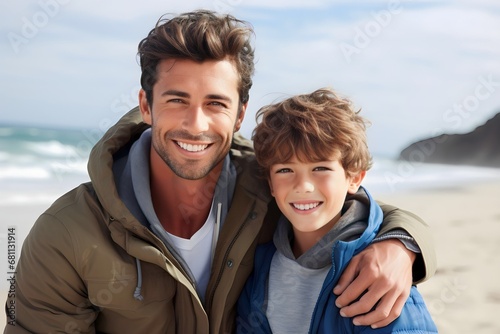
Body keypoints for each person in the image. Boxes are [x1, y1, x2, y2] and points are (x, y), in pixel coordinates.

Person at [4, 10, 436, 333]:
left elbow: (348, 205)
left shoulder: (270, 185)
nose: (196, 124)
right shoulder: (67, 233)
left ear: (240, 113)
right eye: (176, 100)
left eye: (216, 103)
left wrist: (402, 244)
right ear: (145, 105)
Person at [236, 88, 437, 333]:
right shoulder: (259, 266)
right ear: (271, 184)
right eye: (285, 170)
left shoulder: (379, 277)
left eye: (320, 168)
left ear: (354, 178)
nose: (303, 186)